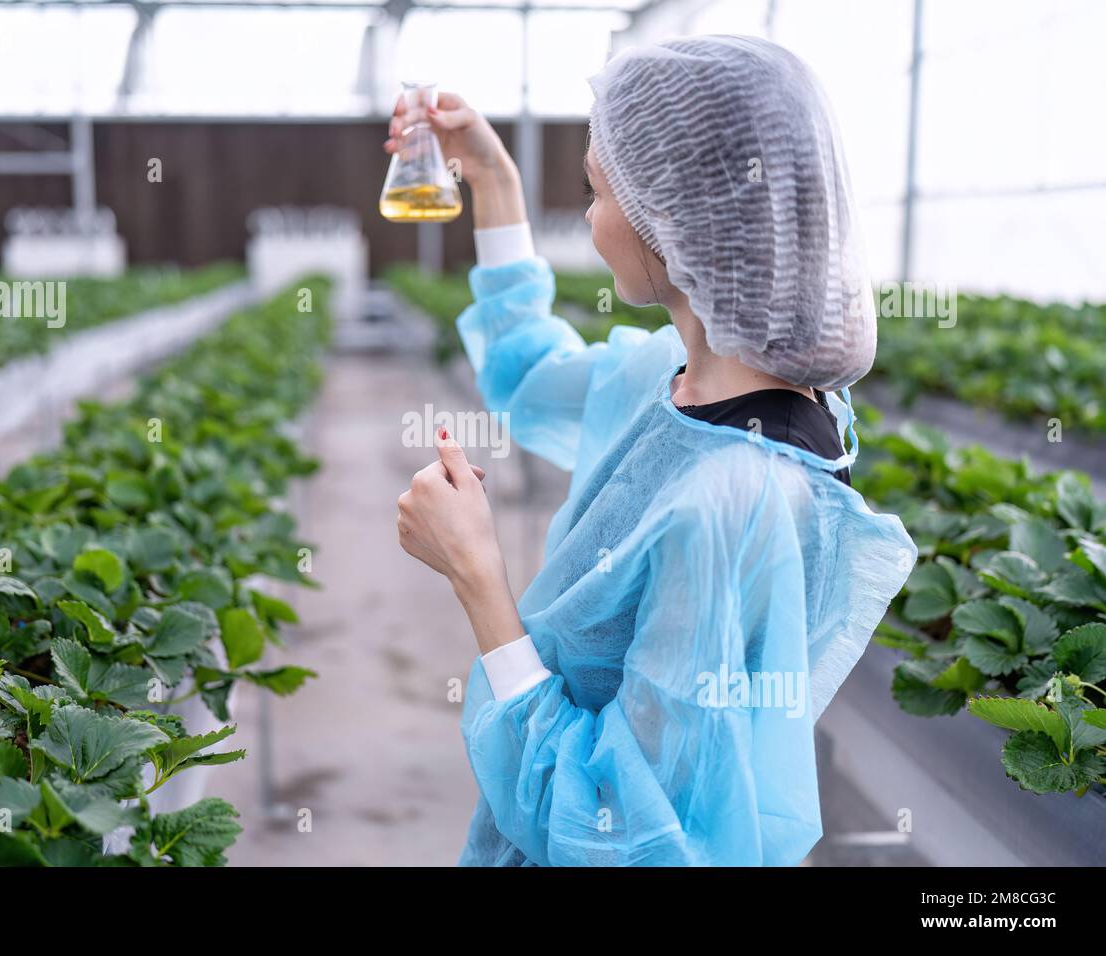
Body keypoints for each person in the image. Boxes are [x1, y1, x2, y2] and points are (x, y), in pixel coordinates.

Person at [386, 35, 918, 866]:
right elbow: (527, 371)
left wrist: (476, 575)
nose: (591, 219)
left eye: (597, 193)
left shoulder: (736, 497)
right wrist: (491, 178)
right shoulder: (671, 376)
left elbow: (621, 832)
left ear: (674, 221)